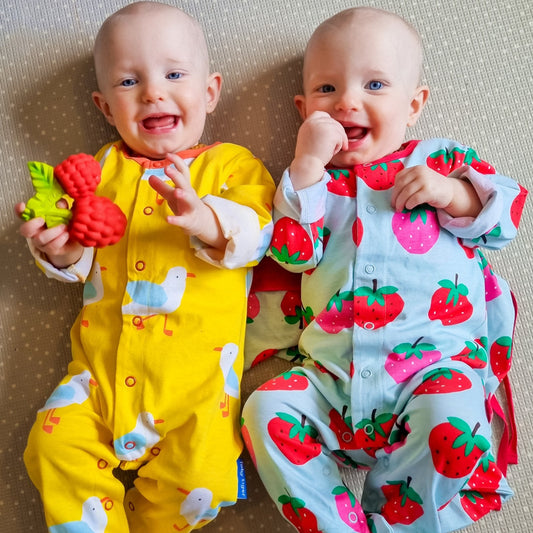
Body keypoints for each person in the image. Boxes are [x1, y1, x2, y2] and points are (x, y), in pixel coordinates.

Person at [241, 7, 527, 532]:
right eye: (326, 89)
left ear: (413, 104)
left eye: (374, 84)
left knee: (455, 422)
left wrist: (453, 193)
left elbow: (504, 218)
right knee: (264, 411)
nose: (347, 102)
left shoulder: (439, 162)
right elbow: (292, 254)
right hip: (332, 383)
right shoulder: (311, 186)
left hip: (432, 372)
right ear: (303, 110)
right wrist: (306, 165)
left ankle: (396, 523)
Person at [18, 2, 275, 531]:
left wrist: (206, 219)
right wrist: (61, 250)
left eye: (174, 75)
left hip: (197, 392)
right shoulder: (100, 170)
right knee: (51, 444)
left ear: (210, 92)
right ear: (105, 107)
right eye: (129, 81)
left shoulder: (232, 165)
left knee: (204, 482)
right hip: (98, 380)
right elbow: (81, 260)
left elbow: (257, 236)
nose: (153, 92)